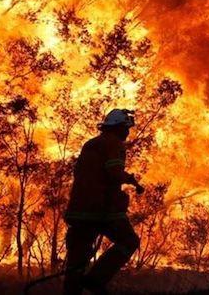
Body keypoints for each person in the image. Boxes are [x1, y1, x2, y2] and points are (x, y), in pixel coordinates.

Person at [63, 109, 144, 295]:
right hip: (102, 211)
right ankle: (96, 279)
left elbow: (83, 173)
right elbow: (114, 172)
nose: (127, 132)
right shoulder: (114, 144)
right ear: (118, 127)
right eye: (126, 128)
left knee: (77, 261)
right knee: (129, 241)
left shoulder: (90, 144)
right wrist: (131, 180)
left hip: (78, 210)